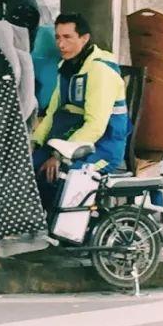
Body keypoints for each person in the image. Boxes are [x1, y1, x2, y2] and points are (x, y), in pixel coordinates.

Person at [30, 13, 130, 210]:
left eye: (68, 37)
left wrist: (60, 156)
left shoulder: (100, 71)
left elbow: (95, 125)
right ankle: (38, 221)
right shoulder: (67, 66)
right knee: (27, 166)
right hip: (69, 140)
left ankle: (64, 225)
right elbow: (52, 113)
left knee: (62, 174)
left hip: (103, 148)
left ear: (84, 39)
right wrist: (34, 142)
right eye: (58, 37)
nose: (61, 44)